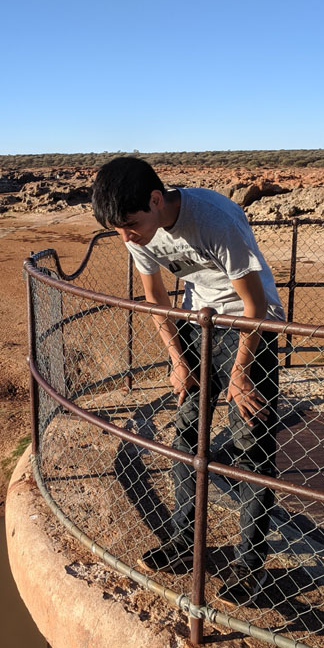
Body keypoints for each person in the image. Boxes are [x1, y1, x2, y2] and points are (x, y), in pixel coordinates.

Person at [90, 157, 284, 606]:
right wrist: (178, 360)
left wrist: (240, 373)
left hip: (251, 328)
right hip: (200, 325)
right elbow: (155, 297)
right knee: (185, 436)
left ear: (156, 199)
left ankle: (250, 565)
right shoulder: (137, 231)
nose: (127, 238)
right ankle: (183, 541)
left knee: (251, 444)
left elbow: (255, 306)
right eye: (118, 230)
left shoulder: (215, 220)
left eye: (131, 225)